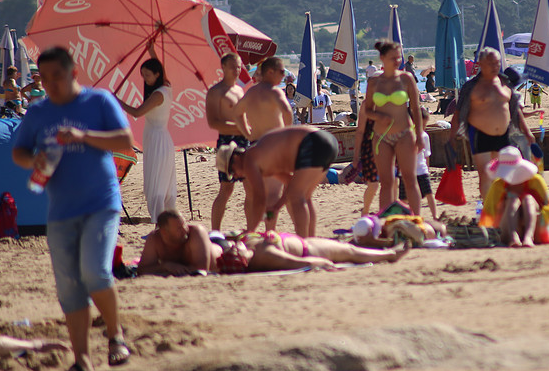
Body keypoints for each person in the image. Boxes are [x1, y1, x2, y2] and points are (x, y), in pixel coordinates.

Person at [12, 47, 134, 371]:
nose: (51, 84)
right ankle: (82, 361)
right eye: (44, 78)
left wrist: (83, 136)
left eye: (58, 77)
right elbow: (19, 151)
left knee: (95, 272)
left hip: (101, 203)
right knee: (69, 287)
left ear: (74, 73)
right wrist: (32, 161)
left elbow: (125, 138)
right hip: (61, 208)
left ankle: (115, 335)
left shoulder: (99, 102)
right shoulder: (38, 112)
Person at [137, 210, 404, 276]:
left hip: (258, 249)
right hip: (257, 249)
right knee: (335, 253)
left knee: (329, 254)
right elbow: (143, 270)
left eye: (184, 227)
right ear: (162, 232)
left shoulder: (194, 233)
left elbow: (199, 269)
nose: (184, 231)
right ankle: (385, 253)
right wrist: (169, 265)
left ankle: (387, 253)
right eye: (178, 230)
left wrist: (167, 266)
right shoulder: (156, 242)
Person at [217, 126, 339, 238]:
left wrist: (250, 232)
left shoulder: (249, 160)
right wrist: (276, 207)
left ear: (236, 157)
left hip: (312, 142)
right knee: (305, 196)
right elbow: (290, 183)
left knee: (297, 197)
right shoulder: (263, 161)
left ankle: (304, 243)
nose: (236, 176)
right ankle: (311, 241)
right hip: (327, 141)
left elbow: (260, 199)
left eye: (232, 171)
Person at [449, 47, 536, 199]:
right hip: (480, 134)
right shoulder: (471, 86)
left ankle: (500, 206)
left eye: (497, 63)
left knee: (503, 172)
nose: (495, 67)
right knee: (486, 174)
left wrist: (527, 132)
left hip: (503, 134)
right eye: (491, 63)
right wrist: (451, 138)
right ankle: (487, 209)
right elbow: (457, 114)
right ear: (481, 64)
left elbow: (515, 110)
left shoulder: (505, 83)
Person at [229, 56, 294, 230]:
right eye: (281, 72)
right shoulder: (274, 91)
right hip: (273, 146)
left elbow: (236, 113)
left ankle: (251, 231)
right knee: (274, 194)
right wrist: (286, 133)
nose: (283, 76)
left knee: (252, 196)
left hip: (255, 145)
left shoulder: (251, 92)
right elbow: (287, 111)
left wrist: (247, 132)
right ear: (270, 72)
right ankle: (270, 232)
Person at [361, 41, 424, 215]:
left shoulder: (406, 78)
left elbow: (416, 108)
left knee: (410, 180)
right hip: (381, 137)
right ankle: (387, 221)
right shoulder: (374, 82)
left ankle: (417, 219)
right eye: (393, 57)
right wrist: (379, 116)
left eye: (399, 57)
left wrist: (419, 135)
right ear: (382, 58)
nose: (397, 60)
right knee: (387, 183)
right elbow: (367, 109)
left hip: (405, 133)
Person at [117, 46, 176, 222]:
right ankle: (163, 220)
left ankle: (160, 221)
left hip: (159, 140)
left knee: (157, 184)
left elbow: (137, 112)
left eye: (148, 75)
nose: (145, 79)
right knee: (158, 182)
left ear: (157, 75)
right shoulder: (165, 85)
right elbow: (162, 70)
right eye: (142, 75)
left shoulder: (159, 94)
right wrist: (151, 50)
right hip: (156, 139)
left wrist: (117, 100)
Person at [478, 146, 549, 247]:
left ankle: (529, 237)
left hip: (535, 227)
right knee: (513, 199)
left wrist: (543, 218)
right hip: (506, 226)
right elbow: (489, 211)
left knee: (528, 198)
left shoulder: (535, 181)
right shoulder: (499, 185)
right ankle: (513, 236)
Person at [206, 53, 247, 232]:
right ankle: (216, 230)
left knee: (250, 187)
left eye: (238, 66)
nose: (236, 70)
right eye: (232, 66)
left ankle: (250, 228)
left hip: (244, 140)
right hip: (226, 141)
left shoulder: (240, 90)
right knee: (226, 188)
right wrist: (240, 128)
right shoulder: (216, 92)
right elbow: (213, 122)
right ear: (223, 67)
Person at [413, 106, 437, 220]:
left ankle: (434, 215)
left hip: (421, 169)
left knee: (429, 193)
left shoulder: (425, 136)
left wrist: (427, 169)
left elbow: (427, 155)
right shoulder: (408, 135)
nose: (423, 127)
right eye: (421, 124)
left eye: (425, 125)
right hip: (409, 171)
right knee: (406, 196)